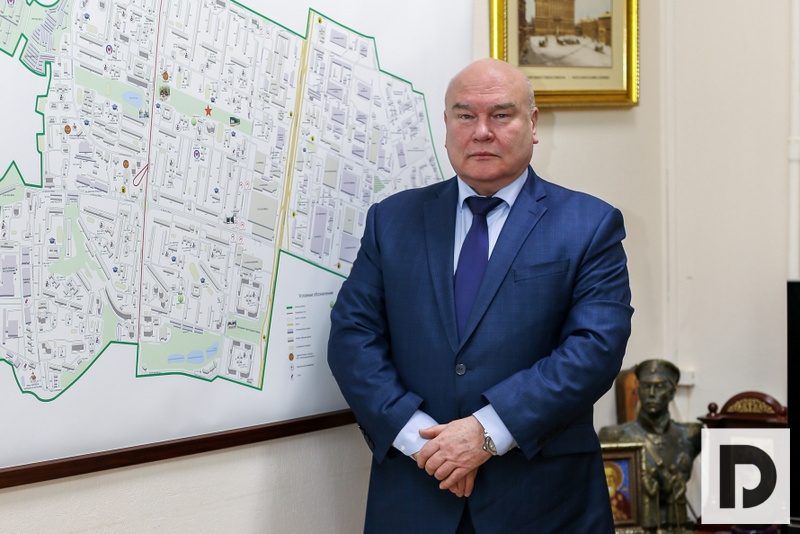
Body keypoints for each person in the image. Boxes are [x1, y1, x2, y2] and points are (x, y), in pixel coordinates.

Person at [328, 58, 634, 533]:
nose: (482, 131)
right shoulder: (391, 220)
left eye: (501, 115)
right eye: (466, 115)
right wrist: (422, 442)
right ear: (447, 125)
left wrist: (486, 432)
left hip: (545, 504)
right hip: (415, 496)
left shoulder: (590, 224)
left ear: (533, 124)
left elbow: (593, 350)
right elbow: (353, 338)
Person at [599, 359, 701, 533]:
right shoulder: (614, 436)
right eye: (646, 387)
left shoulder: (690, 435)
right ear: (638, 390)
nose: (652, 393)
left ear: (672, 393)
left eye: (660, 387)